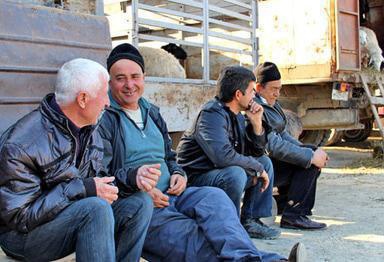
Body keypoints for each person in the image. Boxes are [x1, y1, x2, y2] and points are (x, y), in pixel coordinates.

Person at [99, 44, 302, 261]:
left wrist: (178, 173)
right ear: (110, 82)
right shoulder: (105, 118)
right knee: (192, 236)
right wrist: (137, 191)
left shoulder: (151, 111)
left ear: (144, 77)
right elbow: (101, 175)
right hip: (142, 204)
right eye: (120, 78)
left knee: (216, 200)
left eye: (135, 76)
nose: (129, 85)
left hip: (175, 193)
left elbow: (169, 156)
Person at [0, 58, 153, 261]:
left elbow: (97, 181)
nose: (108, 102)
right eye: (103, 95)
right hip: (21, 236)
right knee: (95, 209)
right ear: (82, 99)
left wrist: (132, 178)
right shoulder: (21, 145)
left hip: (67, 214)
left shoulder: (89, 129)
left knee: (140, 203)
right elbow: (20, 217)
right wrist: (83, 189)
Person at [177, 66, 280, 239]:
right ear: (238, 95)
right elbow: (222, 157)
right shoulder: (211, 114)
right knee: (236, 174)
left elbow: (254, 152)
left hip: (217, 173)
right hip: (194, 178)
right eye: (251, 91)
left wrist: (256, 125)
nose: (254, 95)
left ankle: (250, 221)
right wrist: (256, 168)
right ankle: (228, 225)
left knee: (264, 162)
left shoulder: (237, 114)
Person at [253, 62, 327, 230]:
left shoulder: (272, 104)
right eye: (274, 89)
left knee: (310, 152)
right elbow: (273, 145)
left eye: (279, 88)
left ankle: (283, 204)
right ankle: (295, 215)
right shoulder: (255, 107)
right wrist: (308, 157)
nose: (277, 94)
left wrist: (306, 150)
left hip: (270, 161)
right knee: (308, 162)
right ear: (259, 87)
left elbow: (283, 134)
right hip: (261, 166)